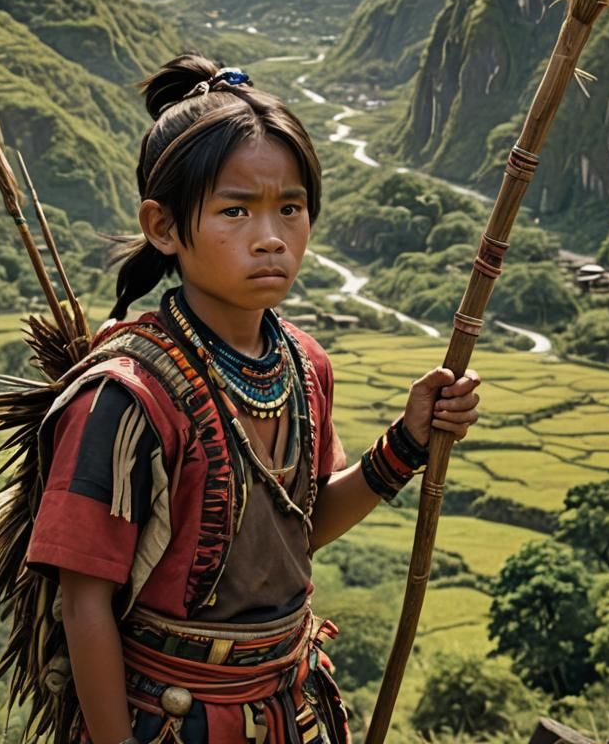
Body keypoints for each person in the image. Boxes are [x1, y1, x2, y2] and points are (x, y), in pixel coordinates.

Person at [25, 53, 481, 743]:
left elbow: (299, 531)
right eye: (235, 211)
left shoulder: (304, 366)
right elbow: (83, 603)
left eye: (290, 209)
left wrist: (407, 444)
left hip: (290, 710)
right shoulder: (124, 400)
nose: (271, 238)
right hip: (170, 723)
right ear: (164, 227)